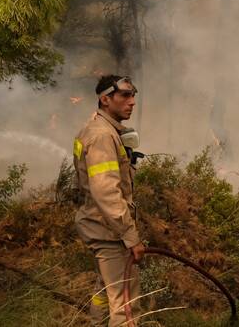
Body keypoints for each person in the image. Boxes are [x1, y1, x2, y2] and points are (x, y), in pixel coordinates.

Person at [73, 75, 145, 326]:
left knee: (105, 291)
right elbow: (106, 193)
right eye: (125, 95)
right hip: (108, 230)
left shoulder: (98, 128)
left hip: (99, 225)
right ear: (105, 99)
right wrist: (130, 236)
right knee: (126, 306)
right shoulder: (103, 136)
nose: (132, 102)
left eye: (133, 95)